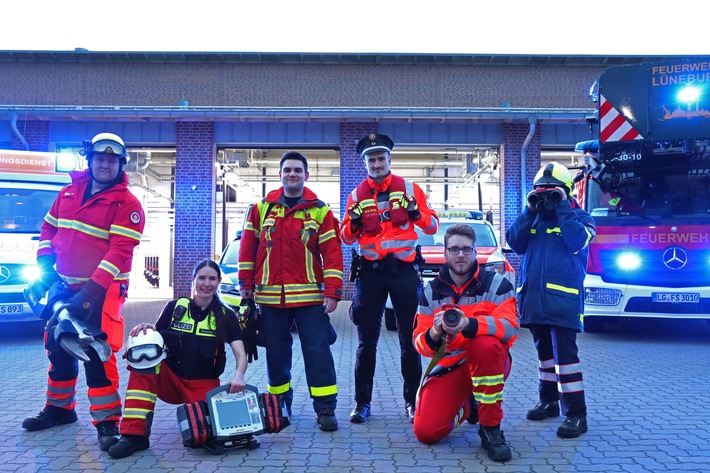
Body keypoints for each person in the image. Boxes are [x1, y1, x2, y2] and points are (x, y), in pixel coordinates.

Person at [21, 132, 145, 452]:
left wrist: (90, 292)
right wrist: (46, 265)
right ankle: (59, 410)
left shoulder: (127, 203)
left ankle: (107, 422)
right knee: (58, 345)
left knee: (95, 350)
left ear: (121, 164)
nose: (105, 164)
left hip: (103, 288)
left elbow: (120, 252)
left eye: (112, 160)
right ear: (89, 160)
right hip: (65, 284)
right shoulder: (67, 192)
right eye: (99, 158)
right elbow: (48, 229)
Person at [238, 151, 343, 432]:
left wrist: (332, 292)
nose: (292, 174)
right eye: (287, 170)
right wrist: (245, 287)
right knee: (276, 352)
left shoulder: (320, 210)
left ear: (307, 175)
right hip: (270, 298)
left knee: (318, 351)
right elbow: (247, 250)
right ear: (280, 175)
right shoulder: (260, 209)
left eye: (298, 170)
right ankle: (280, 403)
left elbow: (332, 254)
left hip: (310, 298)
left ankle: (325, 408)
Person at [341, 133, 439, 424]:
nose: (376, 163)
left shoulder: (409, 188)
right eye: (371, 159)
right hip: (371, 274)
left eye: (381, 158)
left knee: (410, 341)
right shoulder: (356, 195)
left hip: (403, 272)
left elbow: (432, 225)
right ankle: (362, 404)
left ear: (389, 160)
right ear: (365, 164)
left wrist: (415, 211)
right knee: (365, 342)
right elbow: (346, 237)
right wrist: (355, 223)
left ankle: (412, 402)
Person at [108, 259, 249, 458]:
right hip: (170, 381)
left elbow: (241, 354)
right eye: (201, 278)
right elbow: (156, 335)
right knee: (143, 360)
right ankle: (134, 435)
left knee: (203, 436)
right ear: (193, 280)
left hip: (202, 387)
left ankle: (203, 423)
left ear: (218, 282)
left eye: (212, 278)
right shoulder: (174, 307)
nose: (206, 283)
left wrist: (239, 375)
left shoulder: (226, 316)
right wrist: (145, 329)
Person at [412, 224, 519, 462]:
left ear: (474, 251)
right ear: (445, 252)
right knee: (427, 432)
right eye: (454, 249)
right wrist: (435, 332)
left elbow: (511, 328)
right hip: (451, 364)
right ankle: (470, 404)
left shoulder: (497, 285)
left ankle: (491, 429)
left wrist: (469, 325)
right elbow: (419, 344)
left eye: (466, 249)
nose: (460, 254)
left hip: (490, 361)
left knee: (485, 345)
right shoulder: (430, 292)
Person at [505, 161, 596, 439]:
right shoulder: (533, 220)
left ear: (567, 193)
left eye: (553, 191)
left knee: (566, 359)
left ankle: (576, 414)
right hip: (534, 301)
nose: (547, 197)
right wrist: (529, 208)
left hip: (564, 302)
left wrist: (563, 206)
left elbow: (576, 241)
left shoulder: (582, 219)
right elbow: (514, 242)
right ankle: (549, 401)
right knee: (545, 357)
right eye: (541, 192)